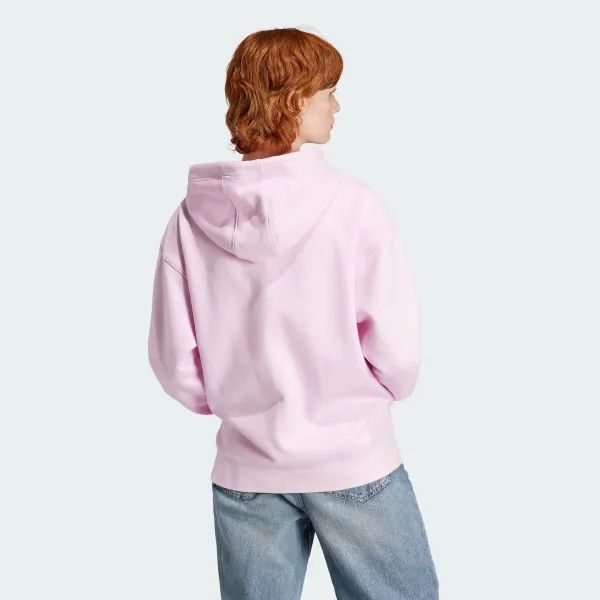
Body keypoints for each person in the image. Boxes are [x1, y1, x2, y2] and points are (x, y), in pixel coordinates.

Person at [147, 26, 439, 600]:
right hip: (353, 460)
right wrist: (359, 405)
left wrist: (234, 403)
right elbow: (399, 353)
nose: (336, 106)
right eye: (328, 92)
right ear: (294, 101)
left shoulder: (190, 218)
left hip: (246, 470)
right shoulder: (354, 206)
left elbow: (171, 358)